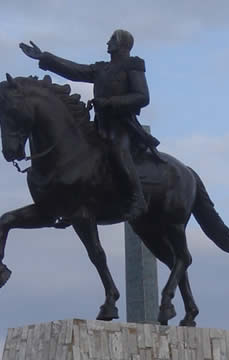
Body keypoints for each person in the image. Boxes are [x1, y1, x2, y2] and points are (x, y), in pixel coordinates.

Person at [19, 29, 162, 220]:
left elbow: (142, 97)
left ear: (122, 44)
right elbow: (75, 70)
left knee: (118, 151)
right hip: (100, 126)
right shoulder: (101, 69)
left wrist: (109, 102)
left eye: (112, 39)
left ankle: (138, 199)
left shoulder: (133, 65)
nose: (107, 42)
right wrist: (44, 57)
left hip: (122, 126)